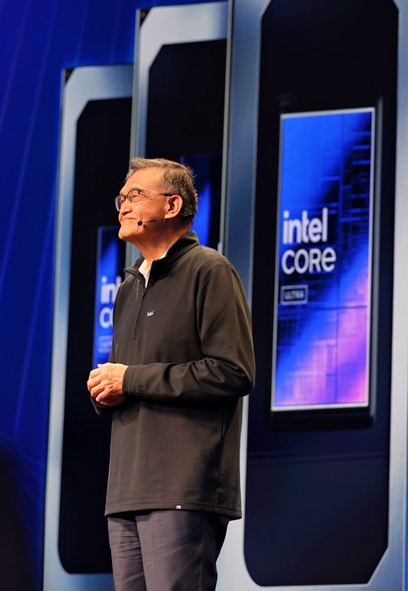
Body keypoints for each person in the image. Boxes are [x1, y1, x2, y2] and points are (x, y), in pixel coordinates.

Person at [87, 157, 255, 590]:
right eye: (121, 199)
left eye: (135, 195)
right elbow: (126, 379)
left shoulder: (209, 270)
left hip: (182, 487)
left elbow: (232, 372)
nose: (123, 206)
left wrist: (130, 379)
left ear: (172, 205)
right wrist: (105, 388)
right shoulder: (128, 288)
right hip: (126, 491)